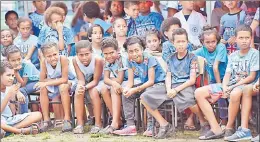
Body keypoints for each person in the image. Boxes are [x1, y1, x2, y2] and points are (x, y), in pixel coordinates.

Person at [195, 25, 259, 140]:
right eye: (241, 38)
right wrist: (224, 87)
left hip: (245, 86)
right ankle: (216, 128)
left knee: (234, 92)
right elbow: (227, 75)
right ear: (235, 39)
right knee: (199, 92)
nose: (244, 41)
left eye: (247, 38)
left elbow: (251, 77)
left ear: (251, 38)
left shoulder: (255, 54)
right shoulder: (233, 56)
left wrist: (231, 87)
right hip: (230, 85)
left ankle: (229, 127)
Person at [34, 42, 75, 132]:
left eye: (55, 54)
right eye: (49, 56)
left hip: (69, 81)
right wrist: (47, 82)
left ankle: (67, 119)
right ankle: (47, 120)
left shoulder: (63, 59)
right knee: (43, 88)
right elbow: (42, 80)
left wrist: (47, 82)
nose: (53, 58)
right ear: (44, 57)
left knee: (63, 87)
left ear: (58, 52)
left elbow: (64, 79)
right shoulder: (44, 62)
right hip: (54, 83)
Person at [193, 26, 228, 128]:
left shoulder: (221, 47)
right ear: (203, 42)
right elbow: (190, 54)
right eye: (207, 42)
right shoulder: (202, 50)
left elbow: (216, 67)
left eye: (213, 41)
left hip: (226, 78)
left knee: (220, 96)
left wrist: (219, 86)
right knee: (205, 96)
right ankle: (212, 120)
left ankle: (224, 120)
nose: (211, 45)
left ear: (217, 40)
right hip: (213, 79)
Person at [0, 60, 42, 136]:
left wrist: (16, 95)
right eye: (8, 75)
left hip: (9, 120)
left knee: (38, 115)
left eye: (13, 76)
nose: (11, 78)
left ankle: (8, 131)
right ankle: (20, 131)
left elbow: (12, 113)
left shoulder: (9, 87)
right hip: (1, 120)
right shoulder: (9, 90)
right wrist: (8, 95)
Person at [72, 40, 104, 134]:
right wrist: (81, 87)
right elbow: (81, 79)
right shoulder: (75, 60)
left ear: (92, 52)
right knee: (78, 91)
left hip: (98, 80)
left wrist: (85, 87)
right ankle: (80, 124)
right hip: (85, 80)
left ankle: (98, 123)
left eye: (87, 54)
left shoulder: (98, 60)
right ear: (77, 54)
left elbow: (95, 80)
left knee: (92, 91)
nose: (84, 57)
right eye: (81, 55)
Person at [99, 37, 128, 134]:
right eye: (106, 54)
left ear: (118, 50)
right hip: (118, 83)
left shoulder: (121, 59)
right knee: (103, 89)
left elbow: (119, 79)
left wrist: (112, 82)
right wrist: (113, 81)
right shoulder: (107, 61)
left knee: (113, 88)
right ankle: (117, 119)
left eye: (111, 53)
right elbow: (105, 79)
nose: (109, 56)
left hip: (128, 81)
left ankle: (115, 122)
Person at [6, 45, 40, 113]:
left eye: (19, 59)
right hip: (23, 83)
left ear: (21, 57)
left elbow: (23, 84)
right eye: (13, 60)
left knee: (22, 91)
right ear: (8, 60)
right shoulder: (7, 67)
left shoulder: (27, 64)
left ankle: (24, 115)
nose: (17, 62)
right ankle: (12, 115)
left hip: (36, 82)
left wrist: (16, 72)